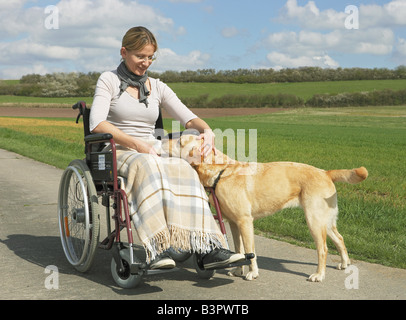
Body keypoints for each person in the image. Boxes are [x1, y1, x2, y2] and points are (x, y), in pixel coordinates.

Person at [90, 26, 244, 270]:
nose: (146, 63)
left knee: (184, 167)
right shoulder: (108, 80)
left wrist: (207, 130)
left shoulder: (158, 87)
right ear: (123, 52)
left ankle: (207, 246)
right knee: (147, 163)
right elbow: (97, 123)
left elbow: (189, 118)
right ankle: (157, 246)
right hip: (117, 149)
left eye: (150, 57)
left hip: (151, 149)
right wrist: (136, 143)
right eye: (140, 56)